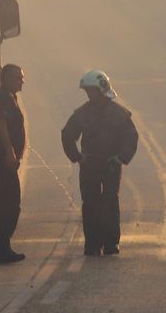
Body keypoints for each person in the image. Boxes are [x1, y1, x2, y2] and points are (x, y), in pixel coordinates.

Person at [61, 69, 138, 256]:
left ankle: (111, 243)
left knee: (110, 201)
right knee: (90, 203)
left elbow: (131, 138)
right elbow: (68, 135)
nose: (89, 94)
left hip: (111, 165)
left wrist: (120, 158)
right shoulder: (82, 113)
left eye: (92, 90)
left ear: (102, 90)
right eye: (87, 91)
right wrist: (78, 157)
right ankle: (92, 244)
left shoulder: (120, 114)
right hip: (90, 166)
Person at [0, 64, 27, 264]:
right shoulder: (3, 99)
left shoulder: (10, 98)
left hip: (4, 159)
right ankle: (1, 249)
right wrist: (10, 152)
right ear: (7, 79)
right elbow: (0, 124)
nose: (22, 81)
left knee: (9, 203)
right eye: (18, 78)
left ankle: (3, 247)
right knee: (6, 204)